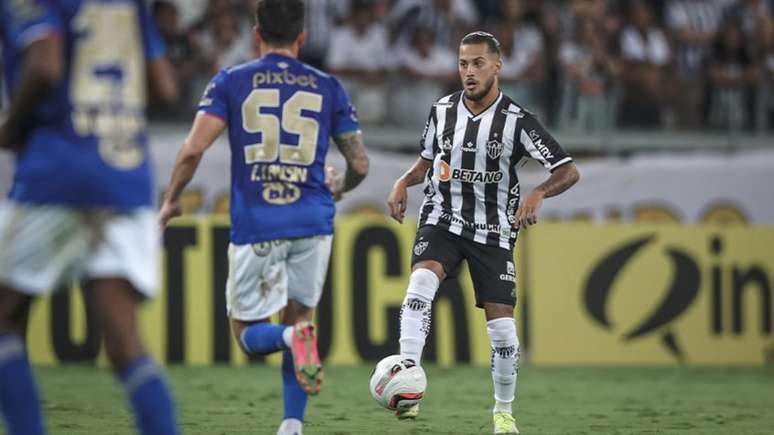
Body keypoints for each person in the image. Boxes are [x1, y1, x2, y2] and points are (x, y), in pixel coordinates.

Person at [158, 1, 369, 434]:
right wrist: (340, 187)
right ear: (302, 36)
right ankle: (292, 425)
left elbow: (194, 149)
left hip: (258, 222)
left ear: (256, 33)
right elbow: (361, 164)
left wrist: (172, 200)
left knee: (247, 333)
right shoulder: (328, 85)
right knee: (301, 319)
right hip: (314, 220)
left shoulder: (231, 81)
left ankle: (291, 343)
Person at [0, 1, 179, 434]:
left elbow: (44, 64)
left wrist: (12, 125)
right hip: (125, 176)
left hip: (59, 167)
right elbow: (164, 86)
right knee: (123, 342)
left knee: (4, 318)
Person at [387, 31, 579, 434]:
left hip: (493, 231)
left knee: (503, 332)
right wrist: (403, 182)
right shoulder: (441, 110)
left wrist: (539, 193)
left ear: (497, 65)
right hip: (442, 218)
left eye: (477, 63)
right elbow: (426, 161)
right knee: (420, 282)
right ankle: (408, 380)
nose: (469, 72)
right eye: (462, 64)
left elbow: (567, 169)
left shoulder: (518, 122)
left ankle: (503, 412)